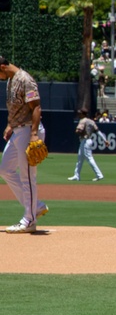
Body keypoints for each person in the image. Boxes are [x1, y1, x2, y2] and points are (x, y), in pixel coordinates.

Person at [0, 55, 48, 233]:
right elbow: (15, 107)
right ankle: (36, 207)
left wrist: (34, 134)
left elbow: (36, 107)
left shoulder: (25, 79)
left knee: (27, 176)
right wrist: (9, 124)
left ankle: (30, 219)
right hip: (17, 129)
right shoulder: (10, 81)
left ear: (3, 67)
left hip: (29, 130)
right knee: (5, 169)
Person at [68, 109, 106, 181]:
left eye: (80, 113)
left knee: (89, 158)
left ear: (83, 114)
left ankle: (99, 175)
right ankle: (76, 175)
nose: (79, 115)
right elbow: (97, 131)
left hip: (85, 141)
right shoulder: (91, 121)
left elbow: (79, 130)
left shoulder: (83, 120)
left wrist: (77, 130)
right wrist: (105, 140)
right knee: (80, 159)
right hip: (87, 141)